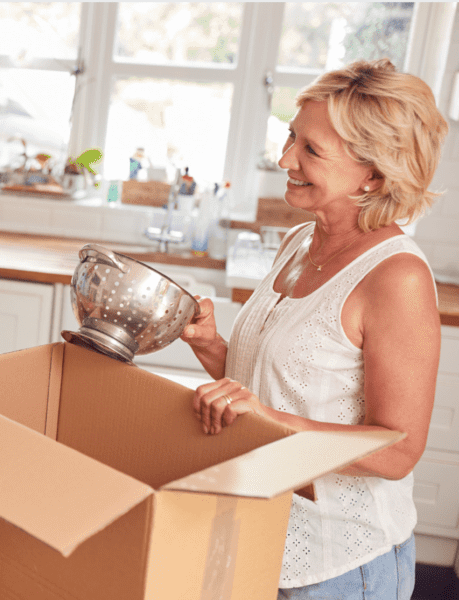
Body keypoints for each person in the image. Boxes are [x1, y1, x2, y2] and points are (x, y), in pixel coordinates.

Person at [181, 58, 447, 599]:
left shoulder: (397, 277)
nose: (284, 159)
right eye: (290, 137)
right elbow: (279, 390)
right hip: (261, 534)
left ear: (373, 173)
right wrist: (211, 346)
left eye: (310, 151)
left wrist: (269, 420)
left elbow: (398, 452)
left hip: (341, 565)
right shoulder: (300, 242)